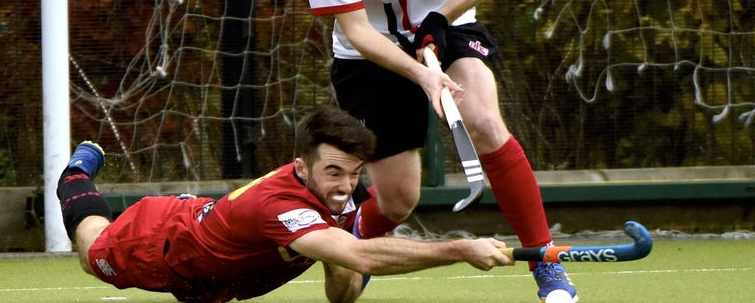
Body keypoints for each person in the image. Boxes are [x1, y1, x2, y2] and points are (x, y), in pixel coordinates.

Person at [295, 0, 577, 301]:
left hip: (450, 25)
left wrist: (439, 19)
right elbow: (357, 30)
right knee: (398, 200)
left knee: (482, 121)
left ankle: (547, 265)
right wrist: (420, 75)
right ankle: (355, 241)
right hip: (368, 54)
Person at [56, 106, 514, 303]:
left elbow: (344, 284)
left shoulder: (341, 197)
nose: (345, 185)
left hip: (217, 274)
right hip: (161, 242)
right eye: (333, 172)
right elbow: (358, 253)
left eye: (354, 173)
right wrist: (460, 249)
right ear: (301, 167)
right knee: (89, 245)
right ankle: (75, 174)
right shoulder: (283, 204)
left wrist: (347, 276)